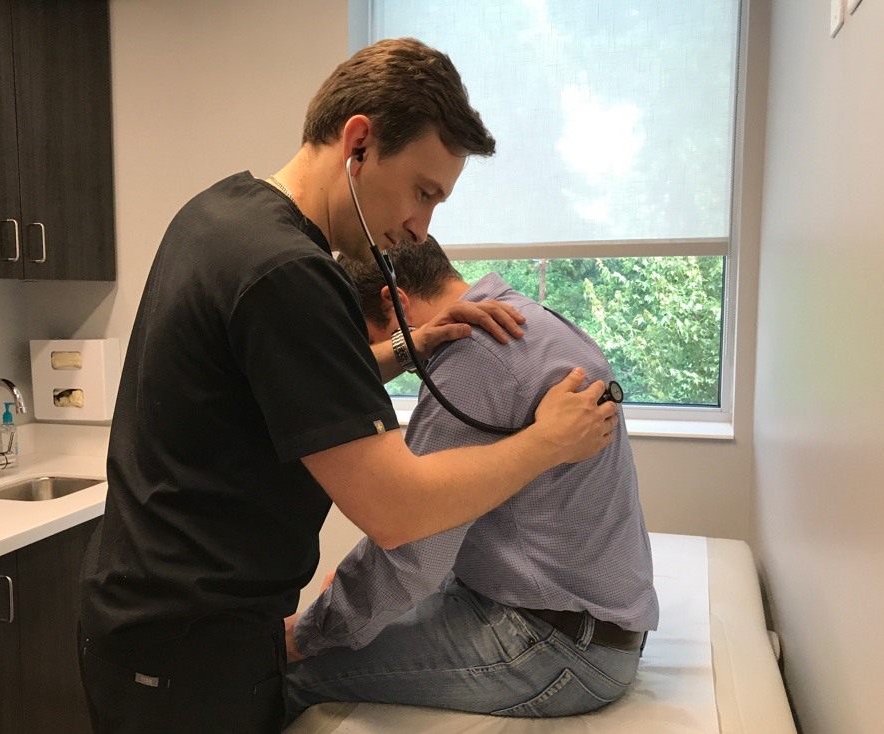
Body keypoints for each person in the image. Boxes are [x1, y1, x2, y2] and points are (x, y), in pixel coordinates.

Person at [78, 38, 621, 734]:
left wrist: (408, 346)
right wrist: (548, 443)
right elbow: (398, 510)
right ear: (358, 143)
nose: (421, 229)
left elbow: (276, 391)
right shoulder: (292, 275)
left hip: (143, 621)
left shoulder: (221, 215)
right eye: (422, 193)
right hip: (194, 653)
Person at [285, 237, 658, 722]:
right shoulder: (529, 317)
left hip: (558, 645)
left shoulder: (474, 360)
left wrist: (306, 632)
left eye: (366, 338)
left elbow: (413, 545)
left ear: (394, 302)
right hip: (596, 625)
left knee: (289, 673)